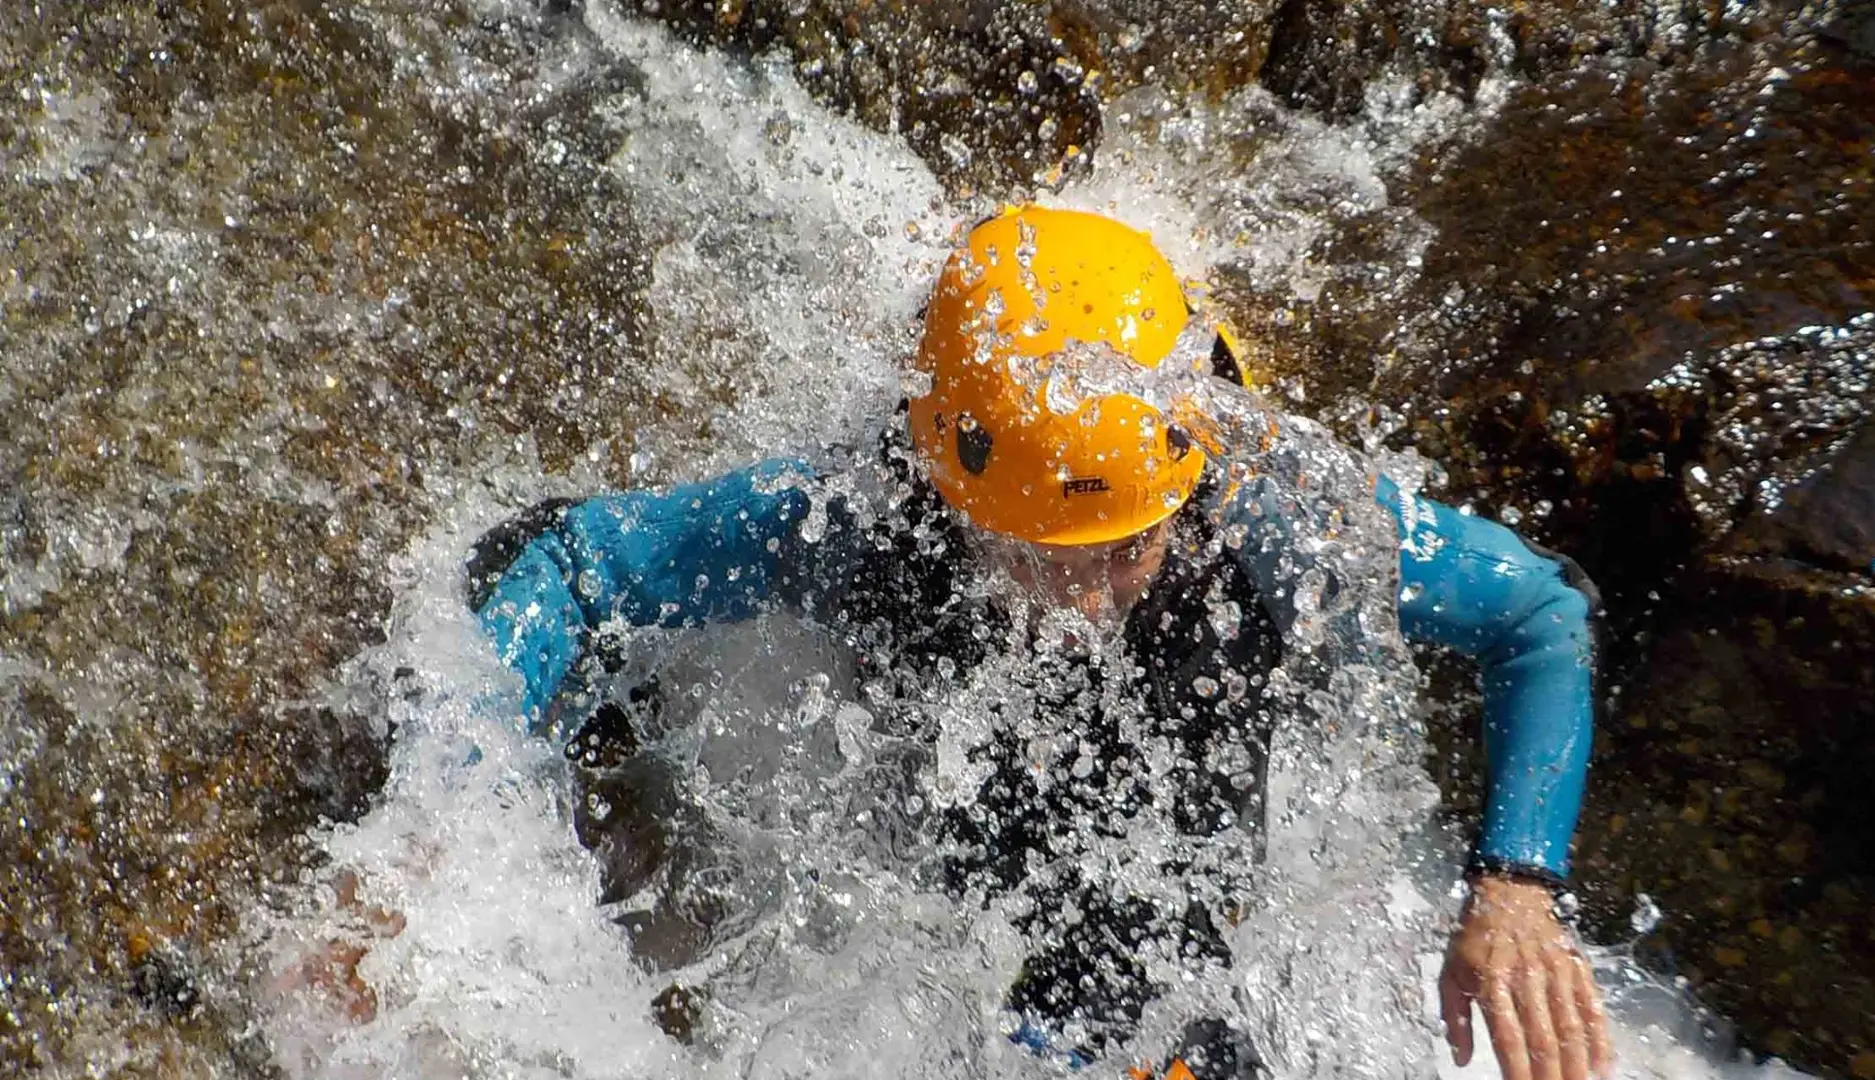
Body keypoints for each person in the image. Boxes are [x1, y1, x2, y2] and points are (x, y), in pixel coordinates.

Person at [464, 206, 1613, 1080]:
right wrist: (458, 817)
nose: (1079, 607)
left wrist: (1516, 886)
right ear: (944, 484)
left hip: (1167, 886)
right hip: (960, 846)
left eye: (1119, 553)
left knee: (1155, 1005)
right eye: (1035, 557)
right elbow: (570, 561)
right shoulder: (868, 510)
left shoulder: (1281, 511)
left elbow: (1540, 616)